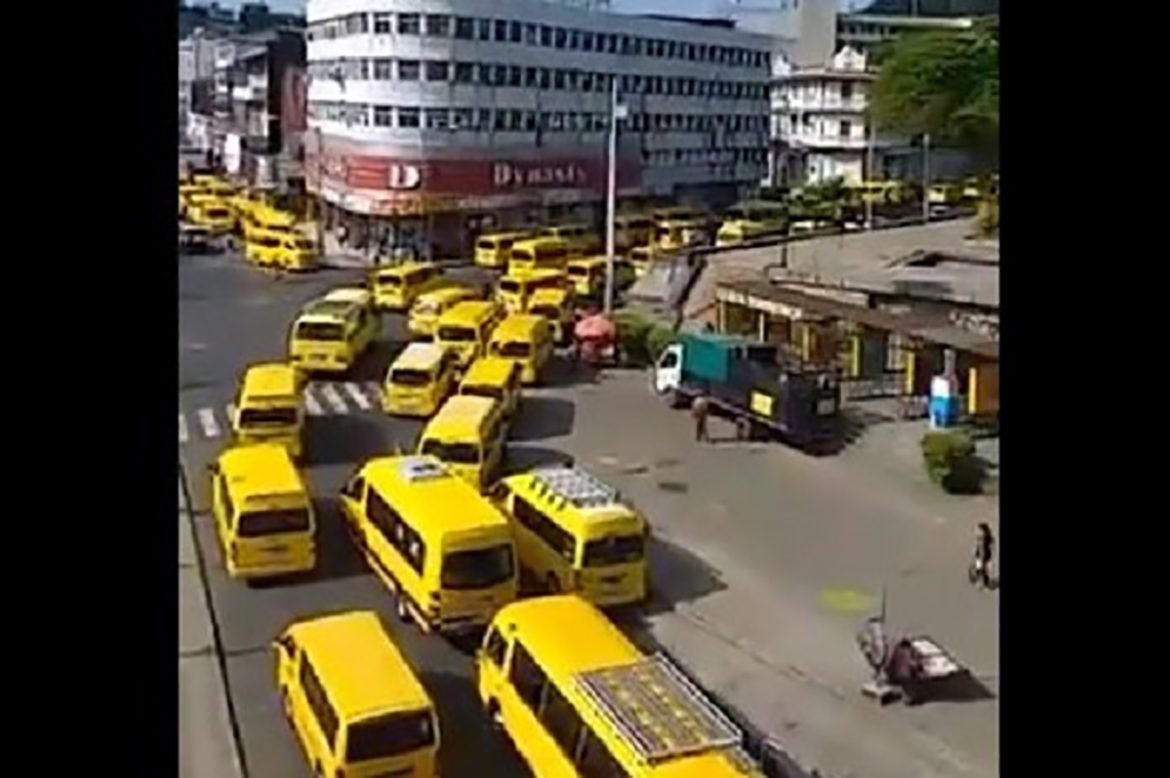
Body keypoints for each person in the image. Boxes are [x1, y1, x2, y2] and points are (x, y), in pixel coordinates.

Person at [971, 522, 995, 589]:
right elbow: (977, 545)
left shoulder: (988, 538)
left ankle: (985, 583)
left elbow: (991, 547)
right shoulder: (979, 537)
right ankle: (979, 581)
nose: (977, 532)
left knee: (984, 570)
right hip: (979, 555)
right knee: (979, 568)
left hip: (985, 556)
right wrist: (975, 551)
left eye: (979, 530)